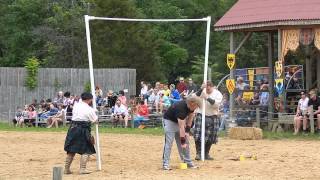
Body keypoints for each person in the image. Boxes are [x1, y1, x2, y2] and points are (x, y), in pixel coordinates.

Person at [162, 96, 201, 170]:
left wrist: (187, 132)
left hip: (178, 122)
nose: (196, 108)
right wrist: (183, 142)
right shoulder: (181, 108)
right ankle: (165, 164)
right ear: (191, 103)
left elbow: (190, 119)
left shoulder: (192, 107)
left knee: (186, 141)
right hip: (169, 121)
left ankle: (188, 162)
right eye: (196, 106)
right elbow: (181, 127)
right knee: (169, 143)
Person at [64, 92, 97, 175]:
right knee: (87, 149)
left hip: (72, 128)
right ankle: (82, 169)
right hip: (83, 129)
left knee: (71, 150)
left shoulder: (76, 105)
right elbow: (95, 121)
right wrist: (95, 114)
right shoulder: (89, 109)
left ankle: (66, 169)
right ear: (89, 100)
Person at [193, 81, 223, 160]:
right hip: (201, 114)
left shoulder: (217, 94)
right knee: (198, 136)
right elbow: (192, 98)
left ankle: (206, 153)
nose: (207, 90)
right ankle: (198, 153)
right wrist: (201, 89)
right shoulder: (202, 92)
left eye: (209, 89)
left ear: (212, 87)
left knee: (210, 137)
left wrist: (207, 97)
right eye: (206, 89)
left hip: (212, 116)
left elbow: (216, 104)